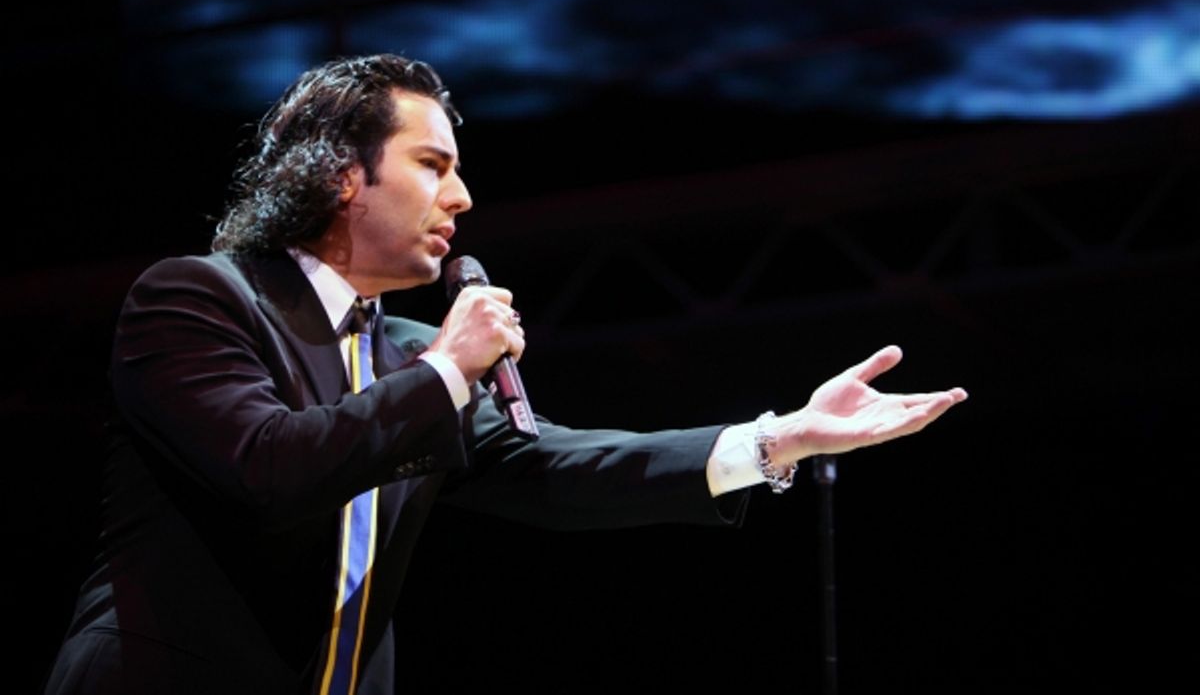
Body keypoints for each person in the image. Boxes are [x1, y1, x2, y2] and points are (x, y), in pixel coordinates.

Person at [43, 53, 967, 695]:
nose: (462, 197)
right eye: (432, 164)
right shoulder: (198, 299)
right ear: (341, 177)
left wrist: (780, 437)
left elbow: (552, 470)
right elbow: (266, 467)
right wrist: (449, 366)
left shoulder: (400, 351)